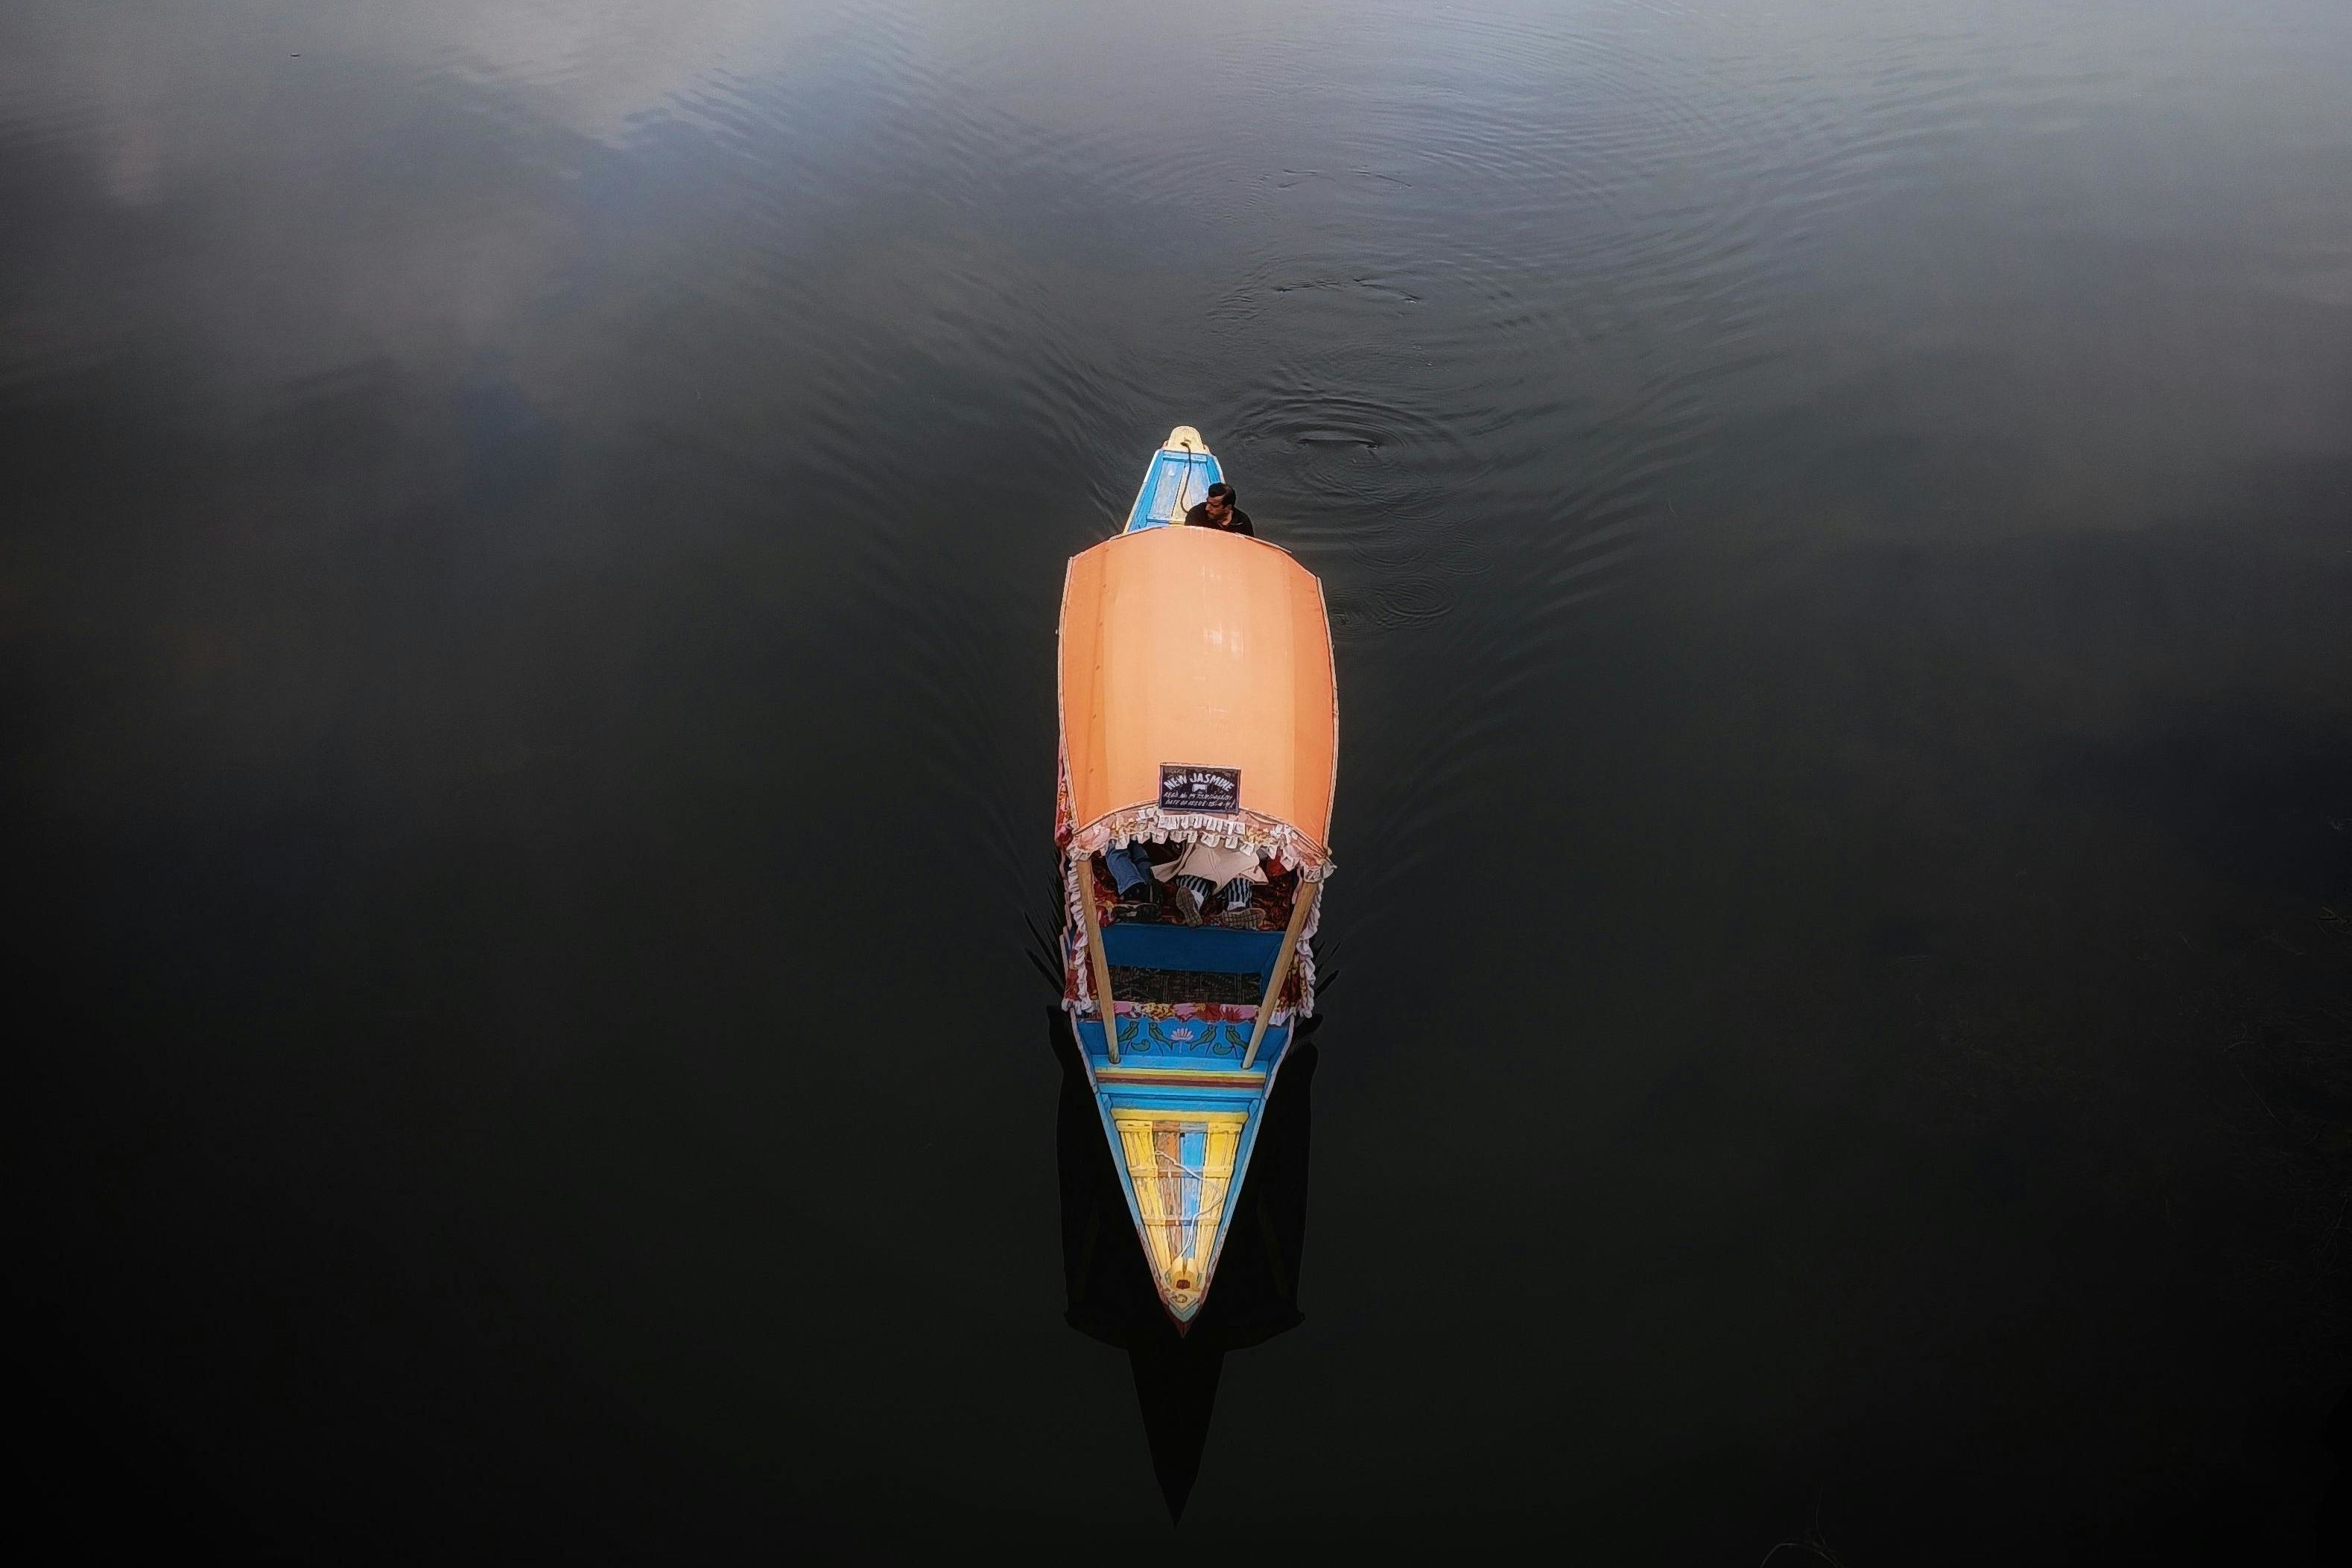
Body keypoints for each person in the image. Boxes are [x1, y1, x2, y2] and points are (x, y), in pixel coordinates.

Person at [1183, 483, 1254, 537]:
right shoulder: (1197, 514)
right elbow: (1189, 543)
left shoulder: (1242, 522)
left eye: (1214, 506)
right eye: (1208, 502)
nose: (1207, 508)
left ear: (1228, 508)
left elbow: (1249, 548)